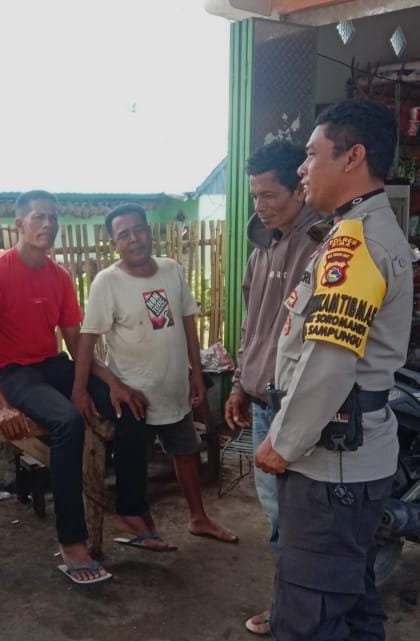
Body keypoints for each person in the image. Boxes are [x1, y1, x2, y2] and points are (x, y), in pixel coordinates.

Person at [255, 99, 413, 641]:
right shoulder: (360, 230)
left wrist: (283, 442)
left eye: (311, 154)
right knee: (352, 604)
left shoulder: (355, 242)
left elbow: (328, 361)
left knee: (310, 616)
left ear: (353, 157)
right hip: (349, 462)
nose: (302, 168)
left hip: (330, 468)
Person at [0, 190, 125, 584]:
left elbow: (75, 343)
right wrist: (1, 405)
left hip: (50, 364)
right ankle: (72, 540)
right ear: (19, 224)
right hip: (11, 372)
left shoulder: (59, 277)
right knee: (67, 421)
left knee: (126, 403)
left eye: (53, 217)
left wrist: (110, 382)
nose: (48, 224)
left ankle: (131, 510)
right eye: (39, 217)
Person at [73, 203, 237, 553]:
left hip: (173, 386)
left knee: (186, 451)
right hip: (135, 394)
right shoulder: (107, 282)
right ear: (114, 243)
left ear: (150, 232)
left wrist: (195, 373)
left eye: (139, 230)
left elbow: (188, 323)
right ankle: (138, 525)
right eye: (124, 234)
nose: (134, 239)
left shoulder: (171, 269)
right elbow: (87, 338)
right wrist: (80, 389)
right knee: (134, 462)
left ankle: (198, 518)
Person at [223, 141, 321, 635]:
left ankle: (295, 612)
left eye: (269, 195)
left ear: (299, 188)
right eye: (254, 195)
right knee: (279, 515)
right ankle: (293, 605)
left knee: (298, 519)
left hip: (297, 405)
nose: (259, 206)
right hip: (262, 400)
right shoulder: (262, 245)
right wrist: (239, 384)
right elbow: (253, 327)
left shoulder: (320, 245)